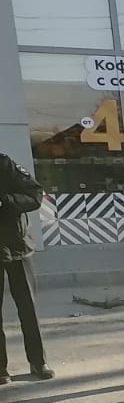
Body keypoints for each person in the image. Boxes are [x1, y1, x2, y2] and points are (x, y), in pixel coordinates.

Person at [0, 151, 53, 384]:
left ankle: (38, 361)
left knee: (28, 309)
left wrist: (5, 201)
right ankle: (1, 369)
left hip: (16, 246)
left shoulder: (4, 163)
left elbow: (35, 195)